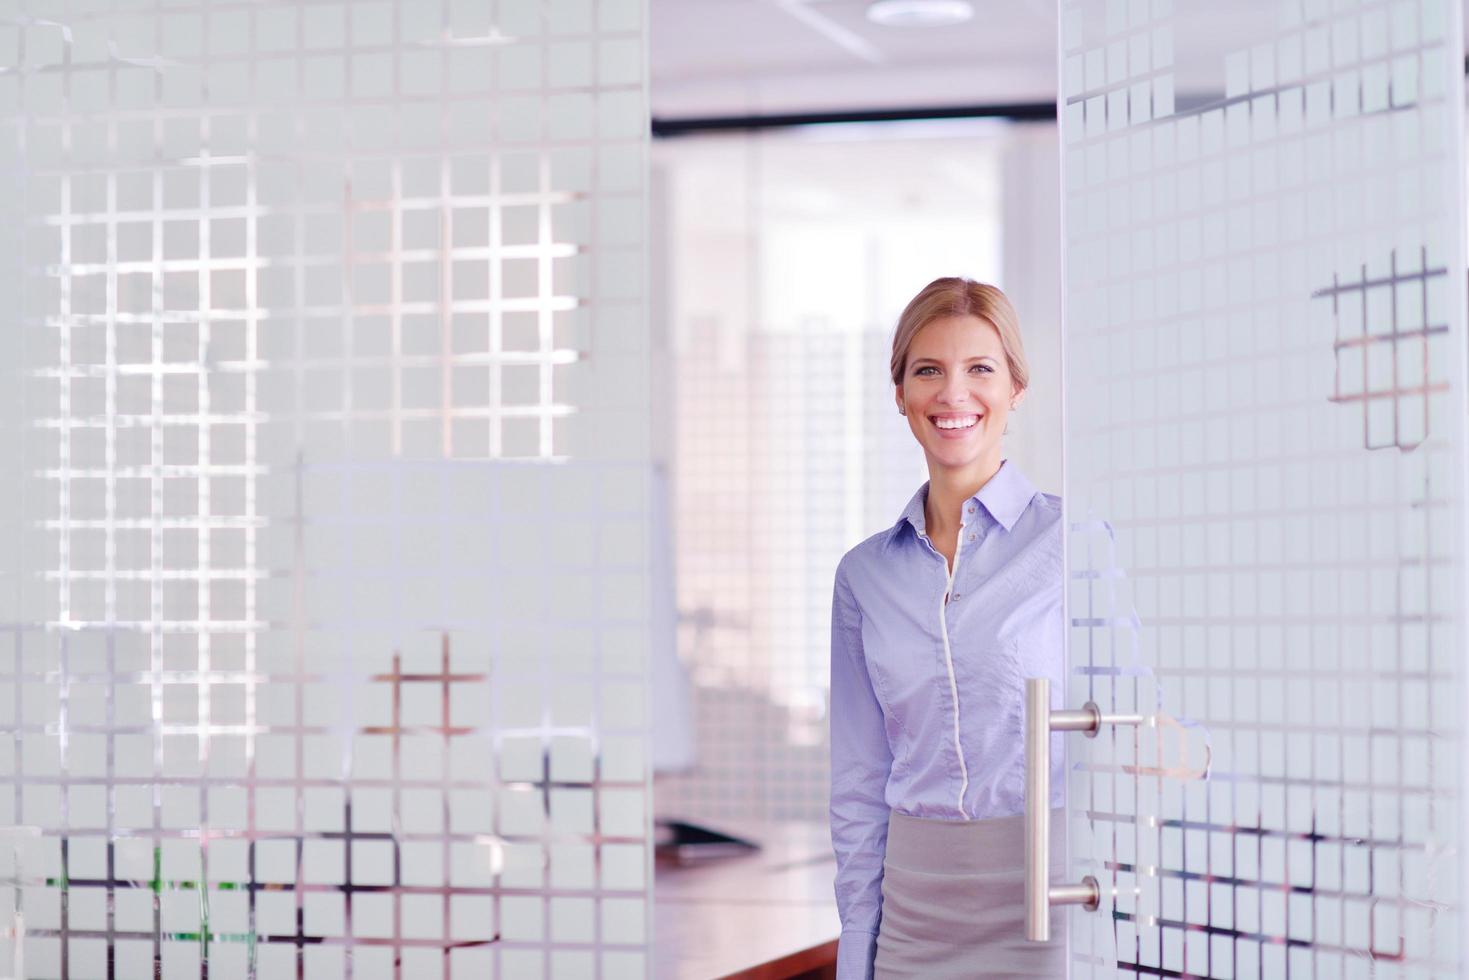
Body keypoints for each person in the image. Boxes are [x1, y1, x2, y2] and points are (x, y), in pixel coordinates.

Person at [829, 277, 1066, 978]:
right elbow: (857, 779)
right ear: (899, 394)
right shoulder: (863, 576)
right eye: (927, 370)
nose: (952, 394)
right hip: (913, 918)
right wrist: (856, 949)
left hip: (1048, 903)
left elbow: (1131, 728)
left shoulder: (1073, 545)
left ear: (1015, 388)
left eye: (979, 369)